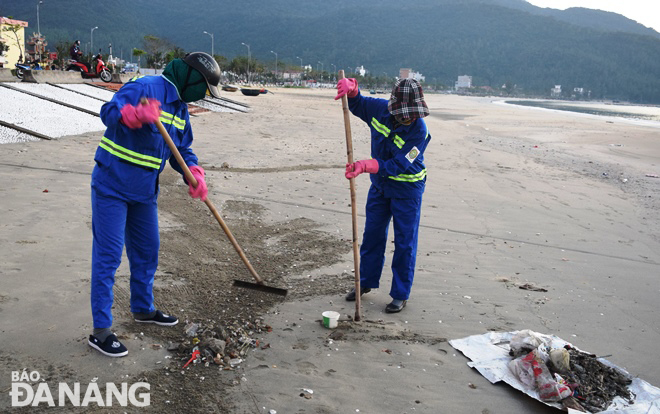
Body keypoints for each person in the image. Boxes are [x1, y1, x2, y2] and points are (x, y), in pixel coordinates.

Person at [89, 52, 222, 357]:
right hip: (111, 185)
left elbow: (182, 149)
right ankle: (100, 331)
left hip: (144, 192)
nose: (202, 94)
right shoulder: (146, 87)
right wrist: (132, 115)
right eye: (202, 86)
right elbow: (109, 112)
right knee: (108, 258)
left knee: (147, 251)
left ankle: (143, 308)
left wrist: (194, 173)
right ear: (189, 77)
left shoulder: (180, 109)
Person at [335, 77, 431, 313]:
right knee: (372, 236)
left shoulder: (420, 132)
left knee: (404, 243)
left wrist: (368, 165)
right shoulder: (380, 110)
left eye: (411, 113)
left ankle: (400, 294)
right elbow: (358, 105)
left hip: (407, 191)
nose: (407, 117)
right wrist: (353, 91)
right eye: (403, 113)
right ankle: (365, 282)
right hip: (379, 188)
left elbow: (401, 164)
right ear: (394, 107)